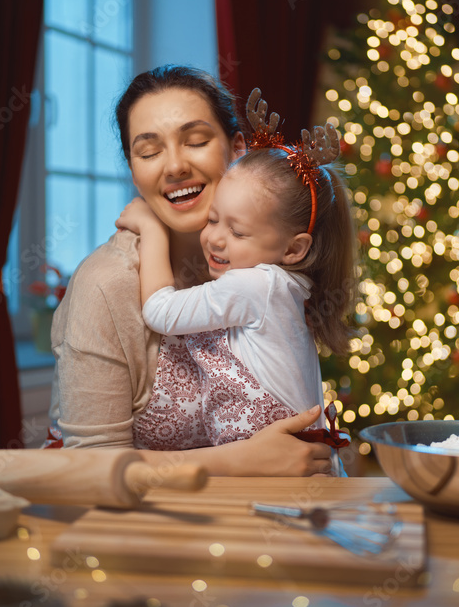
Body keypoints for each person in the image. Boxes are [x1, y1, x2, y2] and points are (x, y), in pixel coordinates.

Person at [47, 66, 334, 476]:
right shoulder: (105, 285)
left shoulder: (266, 261)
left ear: (237, 150)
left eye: (196, 141)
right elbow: (87, 466)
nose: (175, 166)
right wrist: (238, 462)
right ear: (133, 170)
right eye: (148, 152)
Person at [114, 89, 355, 454]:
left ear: (293, 249)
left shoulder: (254, 285)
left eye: (237, 232)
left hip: (279, 474)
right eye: (213, 220)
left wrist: (151, 230)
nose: (214, 239)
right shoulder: (287, 286)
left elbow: (160, 312)